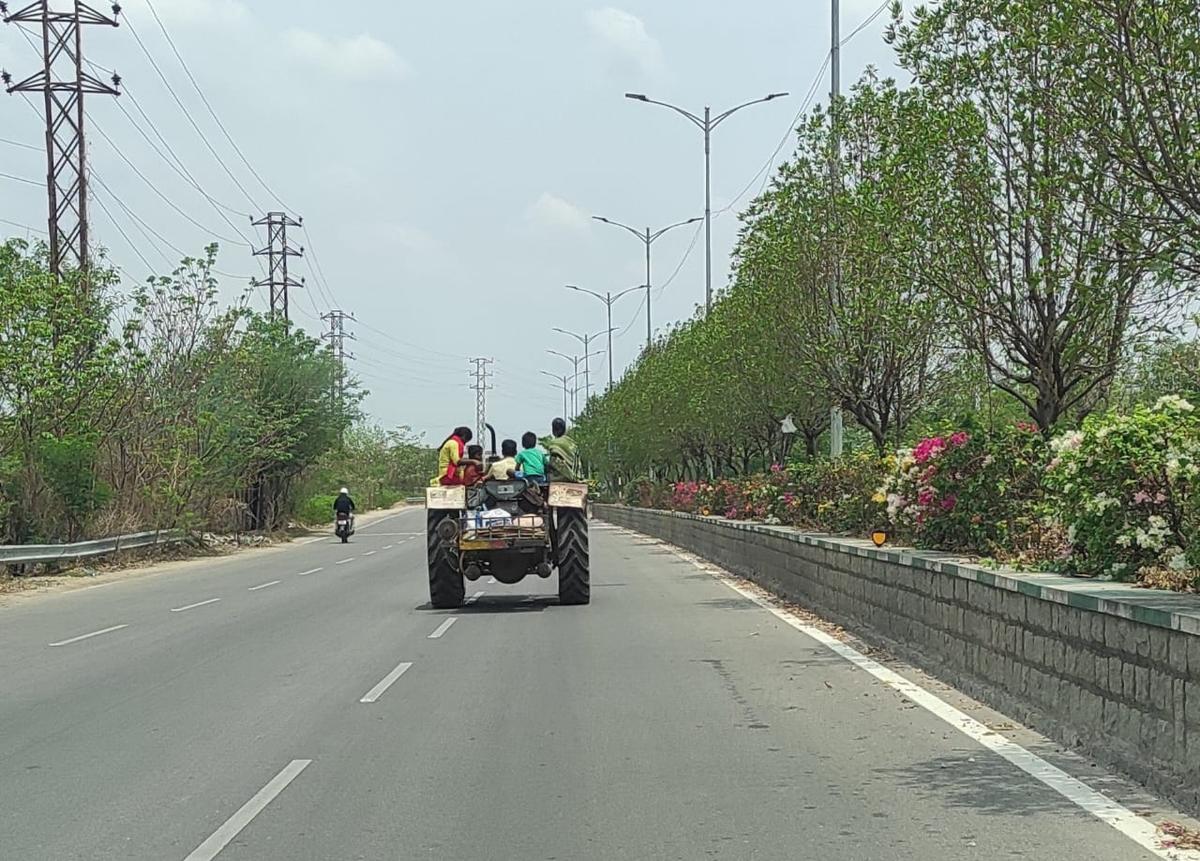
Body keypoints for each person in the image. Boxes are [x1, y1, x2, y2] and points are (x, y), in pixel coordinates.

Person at [541, 417, 579, 481]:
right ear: (564, 429)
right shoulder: (573, 443)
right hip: (574, 476)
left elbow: (553, 462)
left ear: (553, 430)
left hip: (558, 477)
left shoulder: (553, 443)